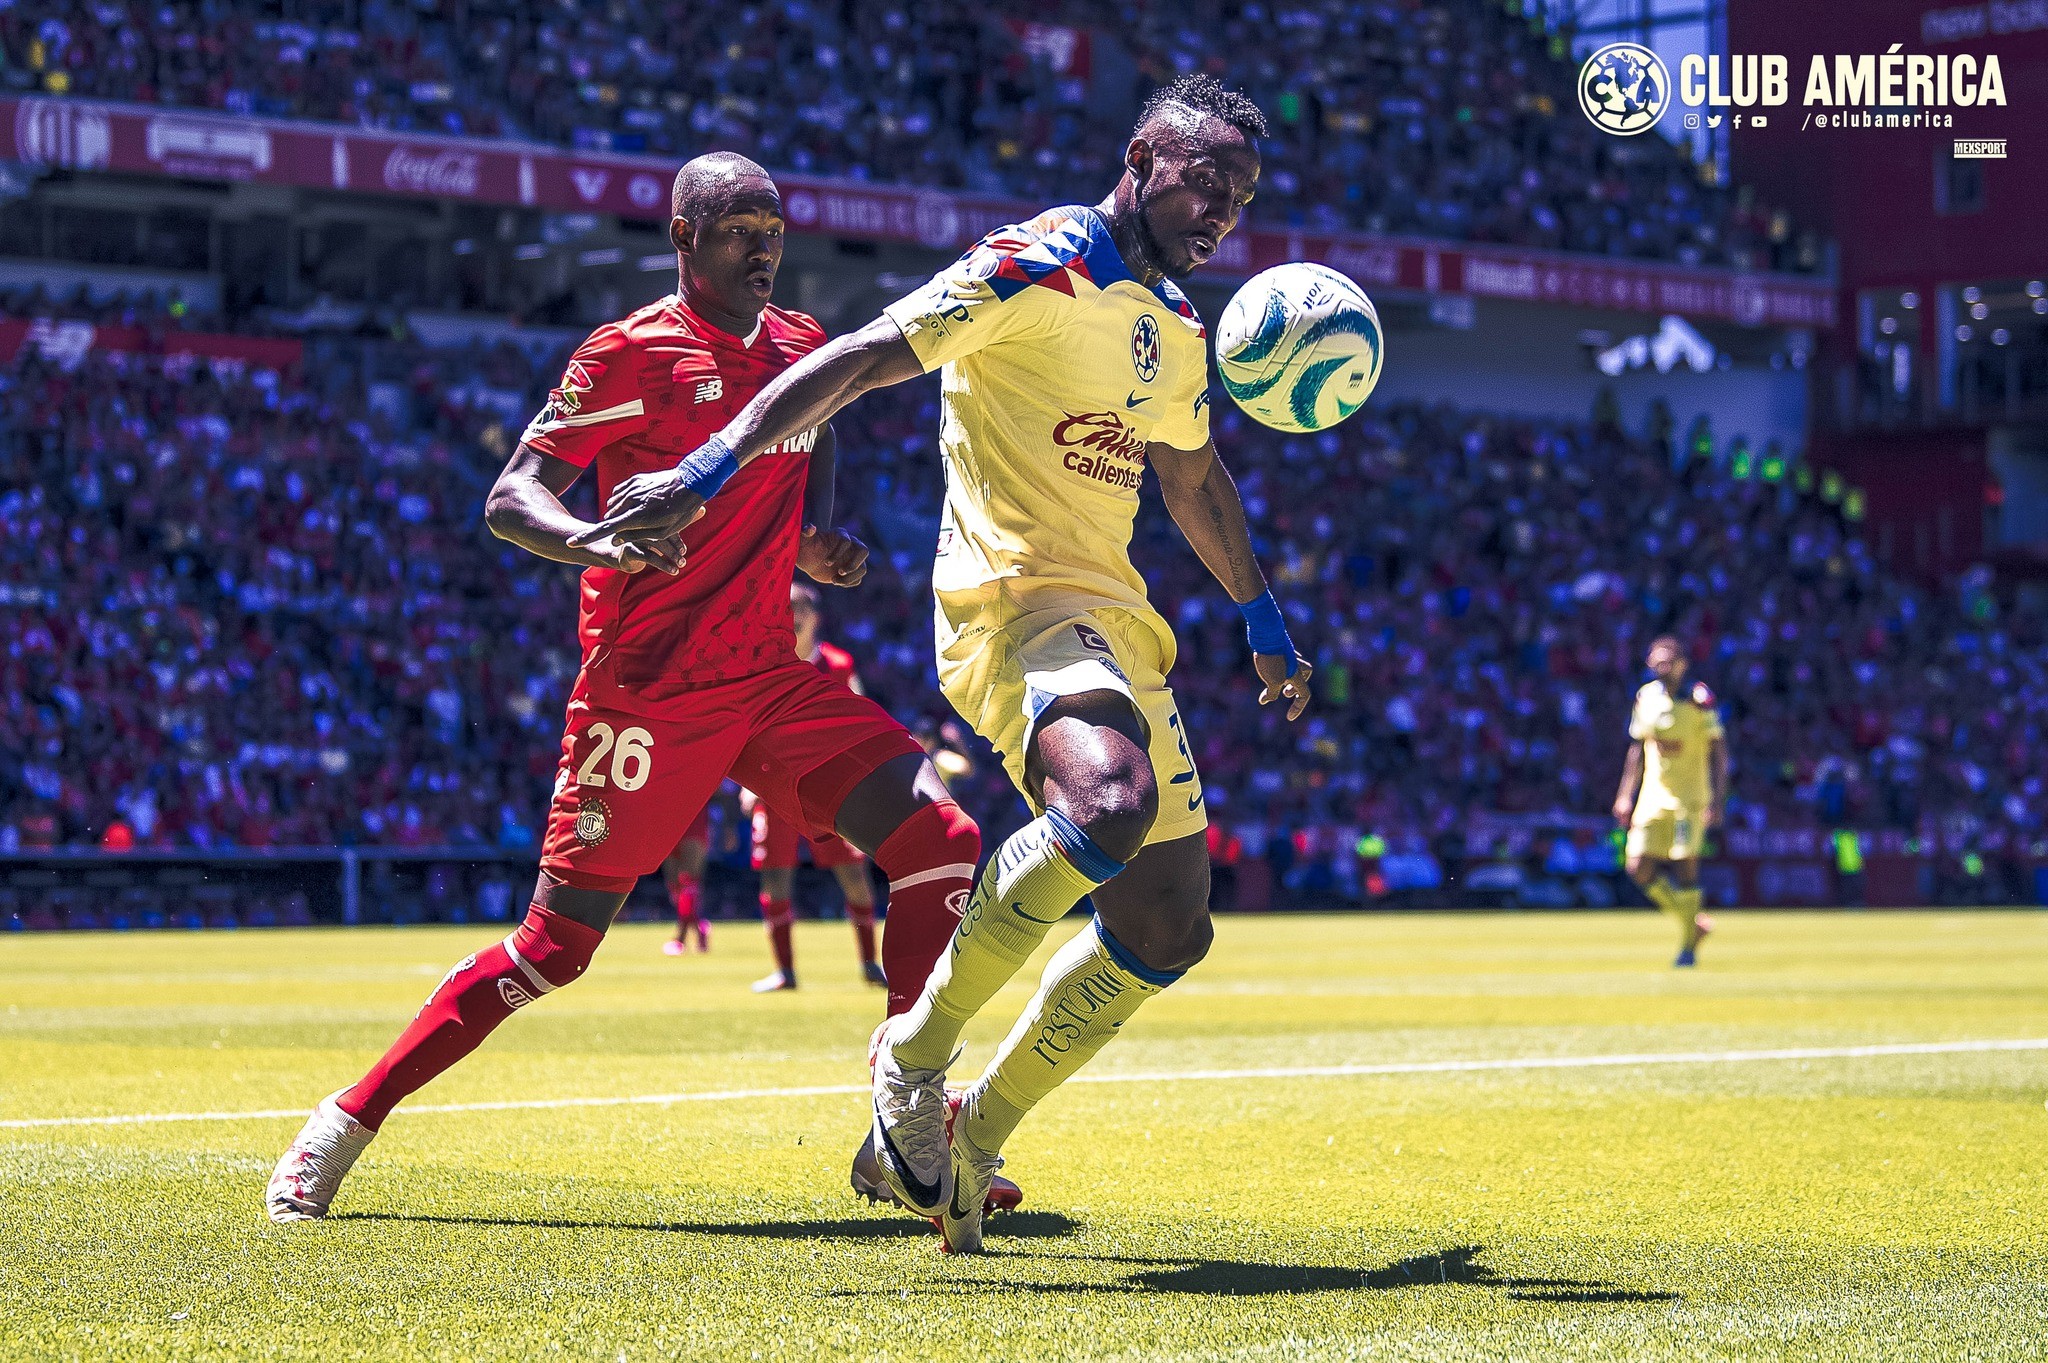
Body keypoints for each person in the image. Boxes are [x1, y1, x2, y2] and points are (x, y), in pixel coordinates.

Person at [573, 75, 1313, 1252]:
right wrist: (707, 466)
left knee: (1170, 924)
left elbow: (1189, 475)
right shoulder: (1032, 264)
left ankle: (971, 1129)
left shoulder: (1174, 328)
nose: (1222, 208)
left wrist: (1262, 620)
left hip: (1114, 620)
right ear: (1140, 159)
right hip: (1010, 606)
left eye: (1242, 193)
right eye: (1204, 179)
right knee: (1105, 803)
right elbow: (866, 355)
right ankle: (912, 1060)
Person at [264, 153, 988, 1223]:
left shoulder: (799, 344)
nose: (762, 249)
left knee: (941, 840)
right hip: (648, 692)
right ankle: (342, 1121)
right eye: (737, 230)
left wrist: (812, 536)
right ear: (683, 238)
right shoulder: (630, 352)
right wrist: (593, 538)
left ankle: (904, 1119)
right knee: (552, 950)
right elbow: (511, 494)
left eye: (773, 230)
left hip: (767, 679)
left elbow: (822, 423)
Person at [746, 581, 889, 993]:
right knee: (775, 877)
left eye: (799, 609)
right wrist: (748, 782)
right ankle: (785, 972)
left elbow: (861, 721)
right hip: (775, 785)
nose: (792, 617)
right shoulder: (764, 665)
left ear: (815, 617)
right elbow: (749, 728)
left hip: (832, 788)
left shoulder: (839, 666)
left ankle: (870, 964)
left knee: (853, 873)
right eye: (785, 609)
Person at [1613, 636, 1728, 967]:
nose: (1662, 667)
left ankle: (1688, 947)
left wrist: (1717, 799)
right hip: (1652, 796)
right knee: (1637, 866)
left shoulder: (1699, 700)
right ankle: (1692, 922)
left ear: (1682, 664)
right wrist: (1625, 795)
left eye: (1668, 661)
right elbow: (1637, 749)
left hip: (1689, 799)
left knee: (1684, 866)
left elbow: (1719, 751)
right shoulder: (1645, 697)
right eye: (1657, 661)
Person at [660, 805, 713, 955]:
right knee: (674, 886)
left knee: (688, 881)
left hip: (693, 821)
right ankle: (699, 926)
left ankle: (680, 939)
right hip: (667, 823)